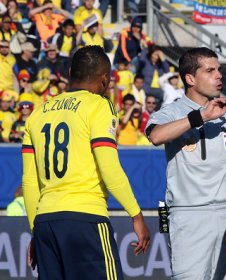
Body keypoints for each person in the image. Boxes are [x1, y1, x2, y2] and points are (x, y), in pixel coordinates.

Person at [22, 46, 150, 279]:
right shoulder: (100, 106)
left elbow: (30, 182)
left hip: (45, 223)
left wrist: (35, 230)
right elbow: (109, 167)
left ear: (71, 72)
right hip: (85, 219)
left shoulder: (37, 113)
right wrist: (136, 215)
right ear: (105, 80)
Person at [145, 47, 226, 279]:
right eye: (210, 70)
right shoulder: (173, 111)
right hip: (189, 216)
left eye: (219, 70)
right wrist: (201, 117)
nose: (219, 75)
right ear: (190, 78)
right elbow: (155, 136)